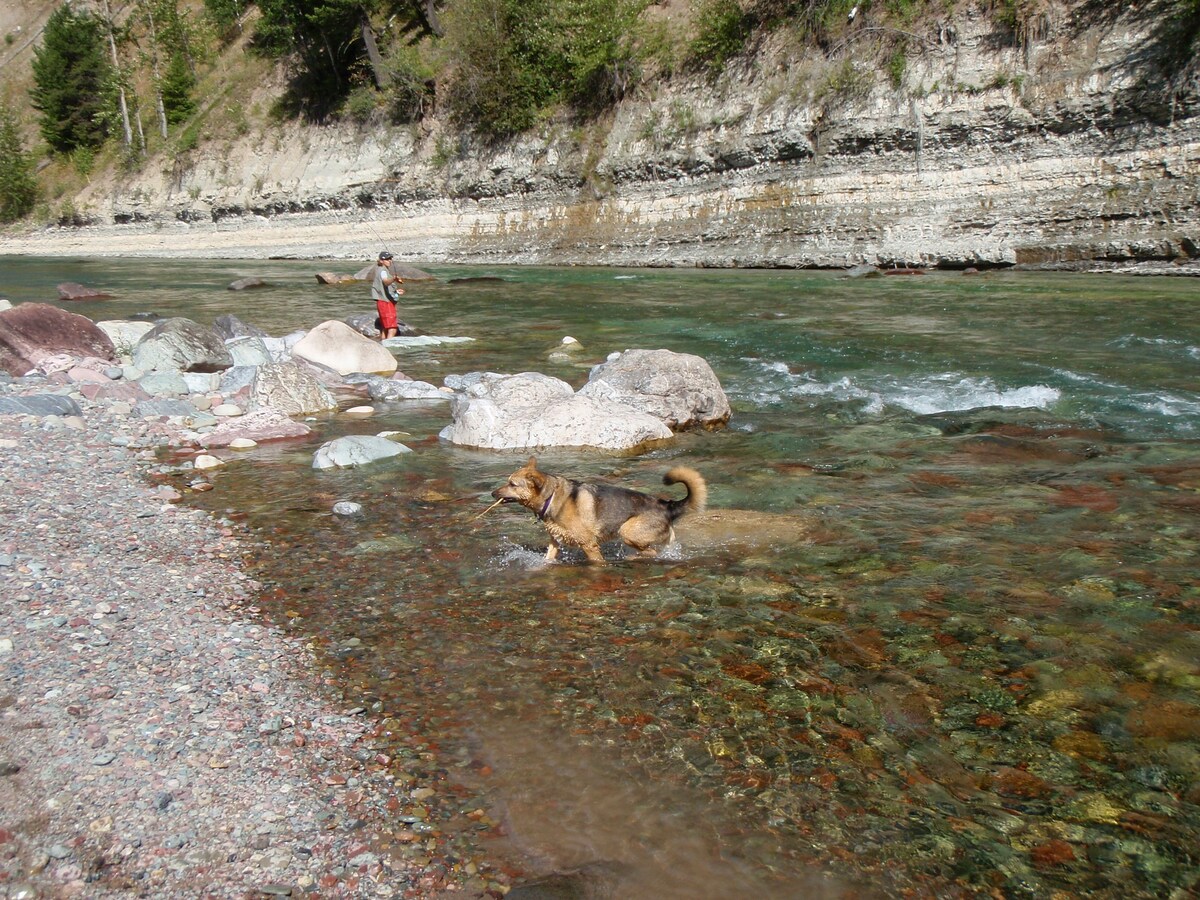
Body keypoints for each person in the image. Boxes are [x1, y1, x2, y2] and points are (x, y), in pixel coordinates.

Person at [370, 250, 405, 340]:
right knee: (392, 328)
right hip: (386, 303)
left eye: (390, 259)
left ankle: (383, 347)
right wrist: (393, 278)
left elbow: (385, 287)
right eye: (387, 259)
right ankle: (388, 349)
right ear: (381, 261)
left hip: (382, 302)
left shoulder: (382, 270)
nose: (390, 261)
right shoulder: (383, 271)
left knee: (385, 329)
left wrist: (396, 292)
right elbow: (385, 282)